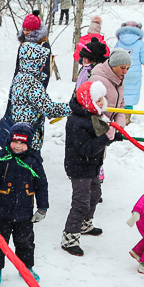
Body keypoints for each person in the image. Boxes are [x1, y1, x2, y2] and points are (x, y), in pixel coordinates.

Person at [0, 122, 48, 286]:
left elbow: (41, 185)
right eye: (15, 142)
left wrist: (42, 207)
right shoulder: (1, 159)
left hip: (24, 212)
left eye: (22, 143)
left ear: (29, 144)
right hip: (2, 212)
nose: (18, 146)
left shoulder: (34, 161)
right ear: (9, 140)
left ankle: (25, 267)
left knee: (25, 242)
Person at [61, 81, 115, 256]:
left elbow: (97, 139)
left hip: (91, 165)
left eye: (102, 99)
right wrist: (106, 138)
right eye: (98, 100)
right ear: (87, 101)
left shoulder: (93, 116)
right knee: (81, 203)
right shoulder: (76, 122)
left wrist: (113, 136)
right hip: (79, 167)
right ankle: (69, 239)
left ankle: (85, 225)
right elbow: (87, 148)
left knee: (95, 195)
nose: (102, 102)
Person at [9, 42, 70, 154]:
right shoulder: (32, 83)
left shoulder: (19, 77)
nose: (43, 66)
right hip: (29, 135)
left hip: (19, 132)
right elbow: (49, 109)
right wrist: (71, 107)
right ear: (34, 63)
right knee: (30, 162)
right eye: (41, 62)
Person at [89, 48, 130, 139]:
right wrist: (107, 129)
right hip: (94, 129)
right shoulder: (97, 79)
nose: (125, 71)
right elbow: (91, 107)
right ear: (113, 65)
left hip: (106, 129)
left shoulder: (119, 80)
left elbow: (120, 104)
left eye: (128, 68)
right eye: (122, 68)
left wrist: (119, 127)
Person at [114, 21, 144, 110]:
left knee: (120, 92)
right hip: (134, 74)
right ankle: (128, 113)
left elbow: (113, 57)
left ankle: (119, 113)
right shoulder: (140, 43)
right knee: (131, 94)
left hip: (120, 72)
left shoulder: (119, 42)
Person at [16, 12, 52, 88]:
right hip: (21, 85)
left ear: (35, 31)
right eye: (24, 29)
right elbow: (18, 68)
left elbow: (46, 71)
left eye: (28, 30)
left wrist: (41, 89)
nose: (25, 32)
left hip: (36, 86)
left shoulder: (43, 45)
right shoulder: (23, 44)